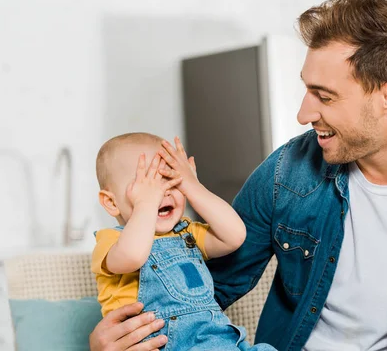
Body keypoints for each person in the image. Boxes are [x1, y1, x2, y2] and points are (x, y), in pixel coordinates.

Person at [90, 0, 387, 351]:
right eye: (307, 91)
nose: (304, 113)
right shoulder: (287, 172)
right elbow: (207, 286)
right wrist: (115, 339)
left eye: (324, 96)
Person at [91, 132, 276, 351]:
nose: (163, 192)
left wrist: (192, 186)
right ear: (111, 202)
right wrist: (146, 205)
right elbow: (133, 256)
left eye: (170, 181)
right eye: (147, 186)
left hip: (216, 341)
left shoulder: (186, 234)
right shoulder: (111, 241)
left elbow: (235, 236)